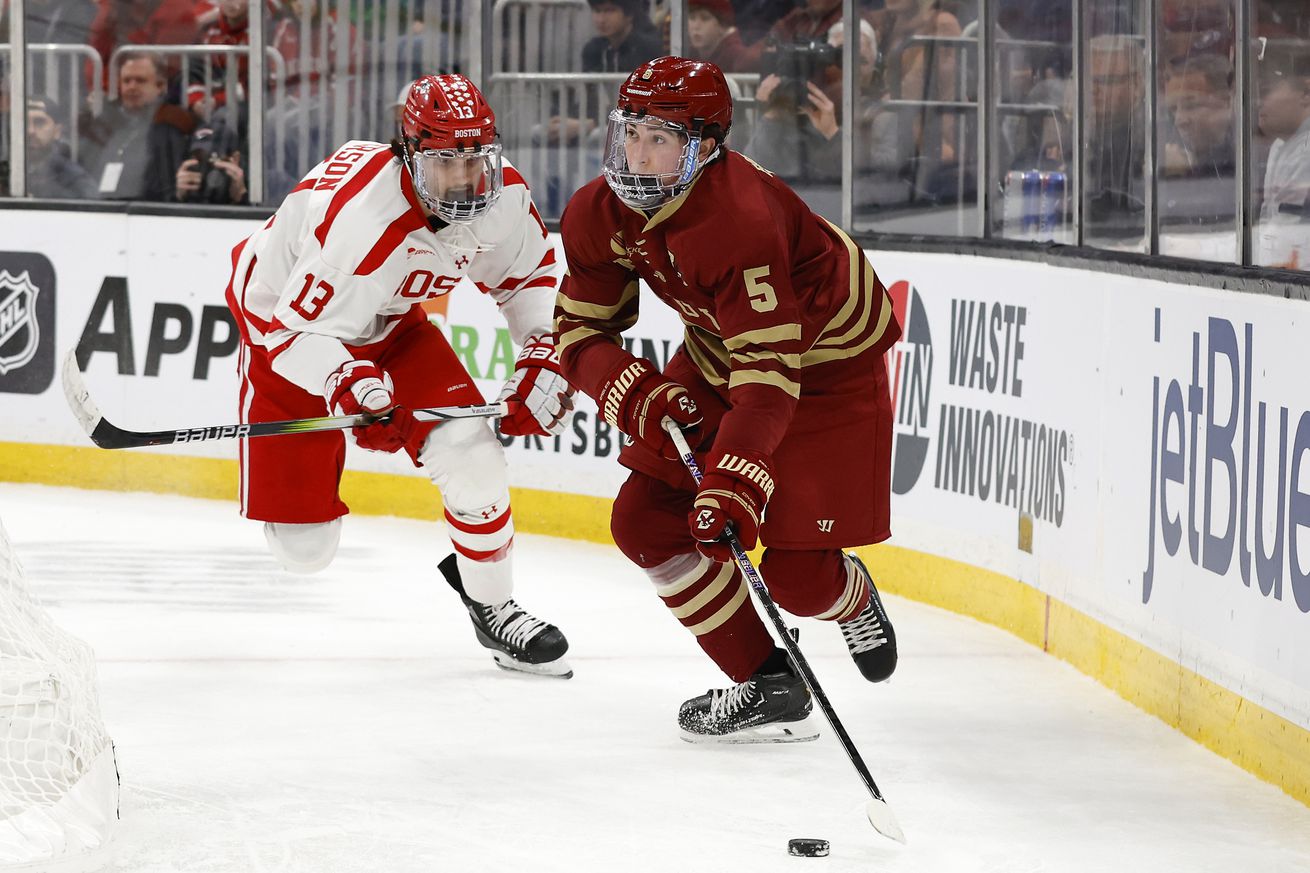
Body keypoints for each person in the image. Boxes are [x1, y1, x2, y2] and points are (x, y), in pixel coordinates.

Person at [555, 57, 901, 742]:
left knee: (801, 584)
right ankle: (771, 680)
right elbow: (578, 331)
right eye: (633, 132)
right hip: (724, 360)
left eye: (662, 139)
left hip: (829, 374)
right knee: (645, 521)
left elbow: (770, 380)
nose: (638, 155)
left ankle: (852, 593)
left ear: (706, 147)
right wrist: (630, 391)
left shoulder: (738, 220)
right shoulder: (598, 211)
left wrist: (733, 480)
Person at [223, 74, 578, 677]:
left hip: (389, 323)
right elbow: (291, 332)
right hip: (286, 325)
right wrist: (346, 382)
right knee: (304, 551)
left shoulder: (504, 195)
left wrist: (542, 353)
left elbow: (531, 282)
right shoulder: (362, 221)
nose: (467, 179)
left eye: (476, 158)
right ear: (408, 154)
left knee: (475, 458)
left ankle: (494, 609)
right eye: (446, 162)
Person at [80, 50, 193, 201]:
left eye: (140, 80)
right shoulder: (109, 123)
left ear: (160, 86)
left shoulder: (171, 122)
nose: (132, 87)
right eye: (126, 81)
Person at [1256, 66, 1310, 268]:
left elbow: (1286, 234)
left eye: (1267, 91)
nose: (1257, 102)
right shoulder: (1280, 144)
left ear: (1305, 95)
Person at [26, 95, 98, 199]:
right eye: (24, 122)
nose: (30, 131)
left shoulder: (74, 180)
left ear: (57, 131)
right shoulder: (7, 173)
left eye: (39, 122)